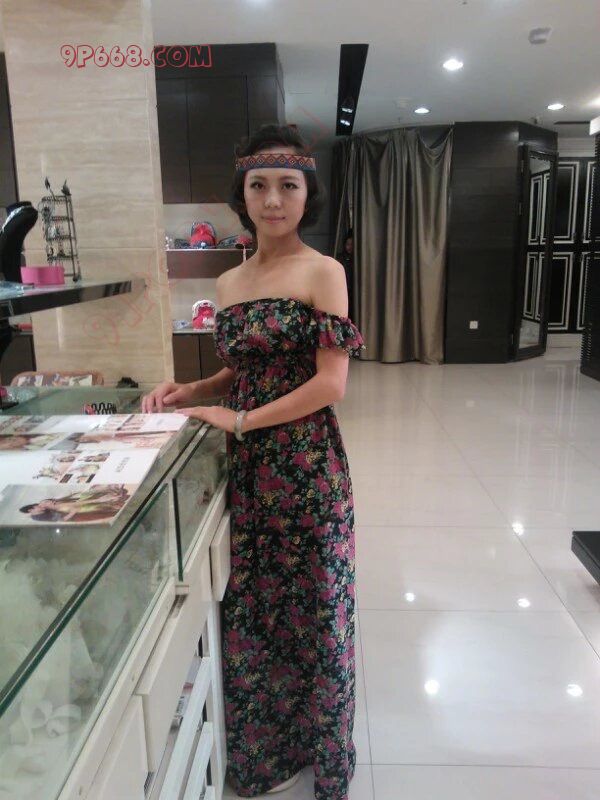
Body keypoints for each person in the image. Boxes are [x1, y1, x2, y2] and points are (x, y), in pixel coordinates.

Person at [142, 123, 365, 800]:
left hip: (307, 469)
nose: (273, 200)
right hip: (250, 472)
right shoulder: (229, 279)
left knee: (315, 612)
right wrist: (194, 390)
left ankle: (321, 754)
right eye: (259, 186)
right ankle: (266, 754)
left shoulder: (324, 271)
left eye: (288, 186)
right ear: (241, 195)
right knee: (258, 612)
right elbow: (245, 368)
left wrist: (239, 420)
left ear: (307, 194)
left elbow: (330, 383)